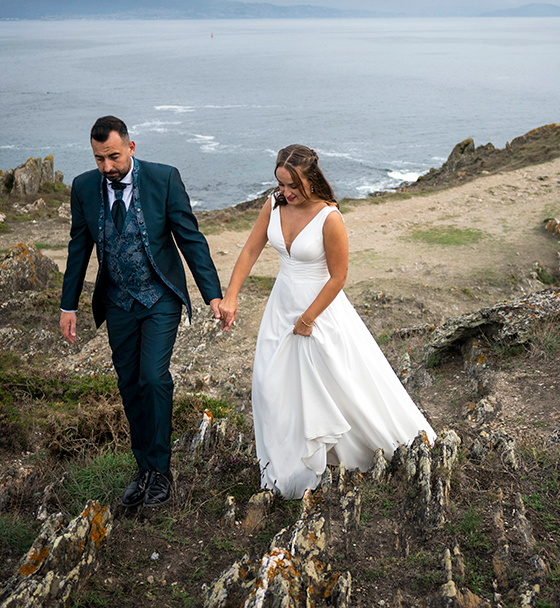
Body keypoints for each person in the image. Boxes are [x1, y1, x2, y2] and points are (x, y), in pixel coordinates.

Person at [219, 144, 436, 498]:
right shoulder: (273, 204)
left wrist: (308, 318)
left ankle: (346, 455)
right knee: (270, 385)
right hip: (281, 306)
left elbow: (339, 276)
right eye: (280, 184)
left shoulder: (329, 217)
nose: (286, 193)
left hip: (319, 311)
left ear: (311, 179)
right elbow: (250, 250)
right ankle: (283, 471)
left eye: (293, 185)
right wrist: (232, 295)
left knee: (335, 386)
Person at [60, 116, 223, 509]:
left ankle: (162, 471)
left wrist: (212, 295)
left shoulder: (164, 179)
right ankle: (143, 470)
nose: (107, 167)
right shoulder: (84, 187)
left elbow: (190, 238)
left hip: (159, 297)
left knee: (153, 378)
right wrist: (68, 305)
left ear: (131, 148)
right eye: (99, 159)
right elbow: (79, 246)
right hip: (117, 302)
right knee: (129, 385)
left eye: (113, 157)